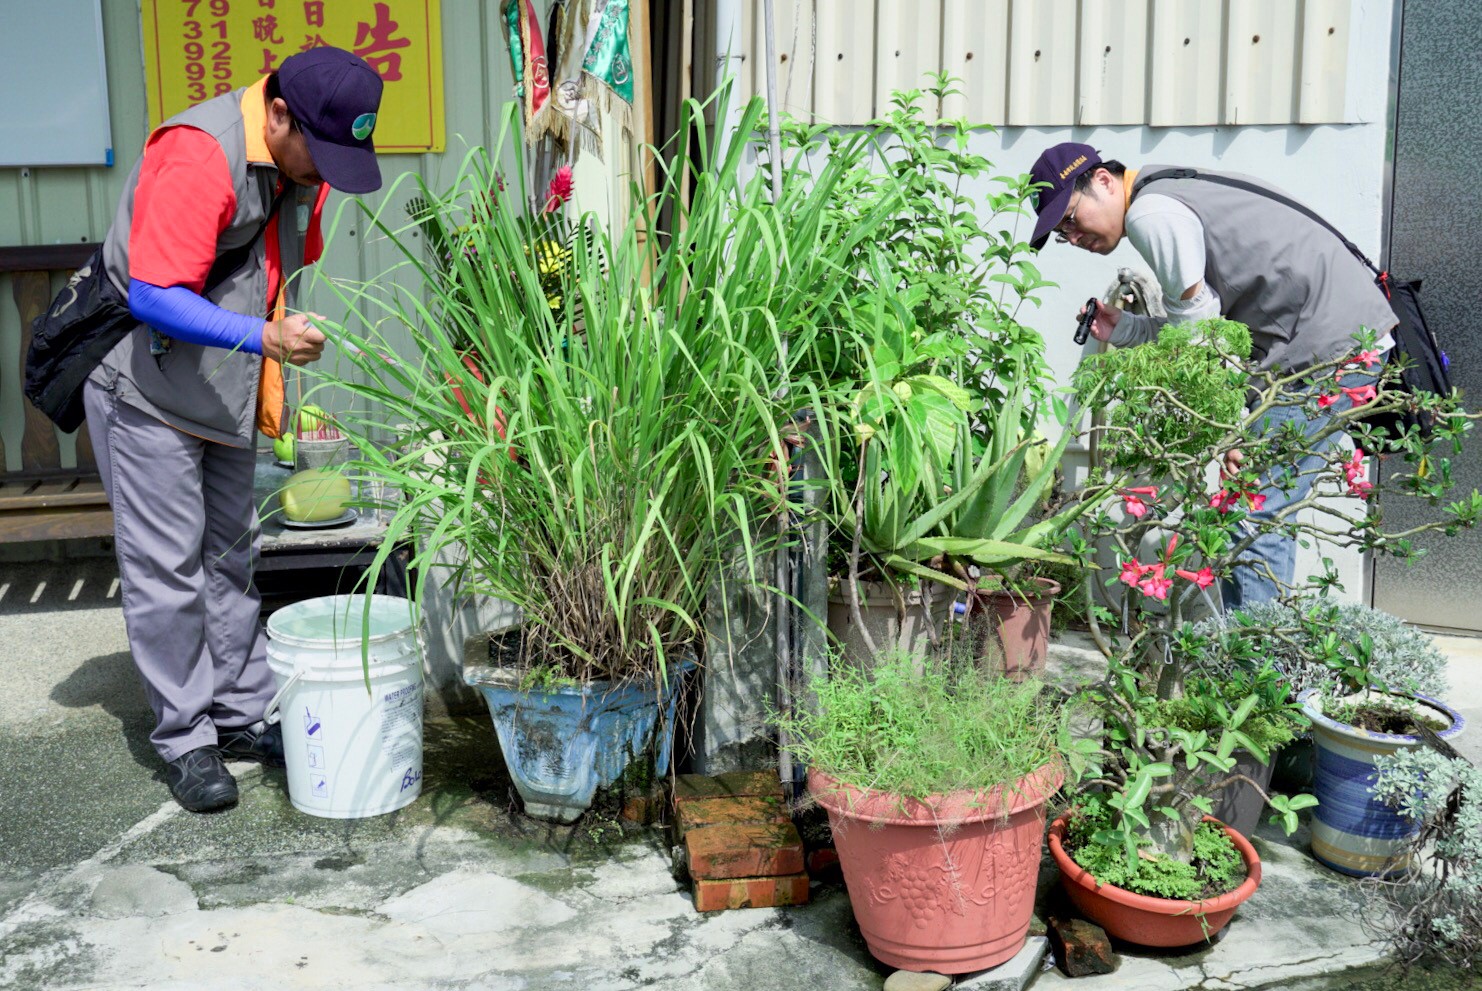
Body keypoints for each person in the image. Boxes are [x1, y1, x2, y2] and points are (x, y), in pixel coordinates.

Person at [83, 47, 384, 812]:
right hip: (147, 392)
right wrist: (265, 341)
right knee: (168, 570)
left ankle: (242, 710)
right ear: (277, 113)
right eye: (322, 153)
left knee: (231, 558)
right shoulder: (198, 153)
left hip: (222, 391)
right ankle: (187, 739)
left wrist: (282, 351)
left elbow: (273, 275)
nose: (325, 174)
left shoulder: (299, 168)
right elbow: (153, 291)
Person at [1027, 142, 1396, 608]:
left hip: (1328, 352)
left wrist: (1228, 436)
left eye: (1071, 219)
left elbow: (1201, 341)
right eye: (1061, 232)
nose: (1073, 237)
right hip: (1335, 346)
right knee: (1256, 511)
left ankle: (1259, 674)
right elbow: (1202, 326)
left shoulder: (1150, 214)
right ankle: (1258, 665)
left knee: (1254, 515)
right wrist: (1127, 330)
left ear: (1102, 180)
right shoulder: (1167, 185)